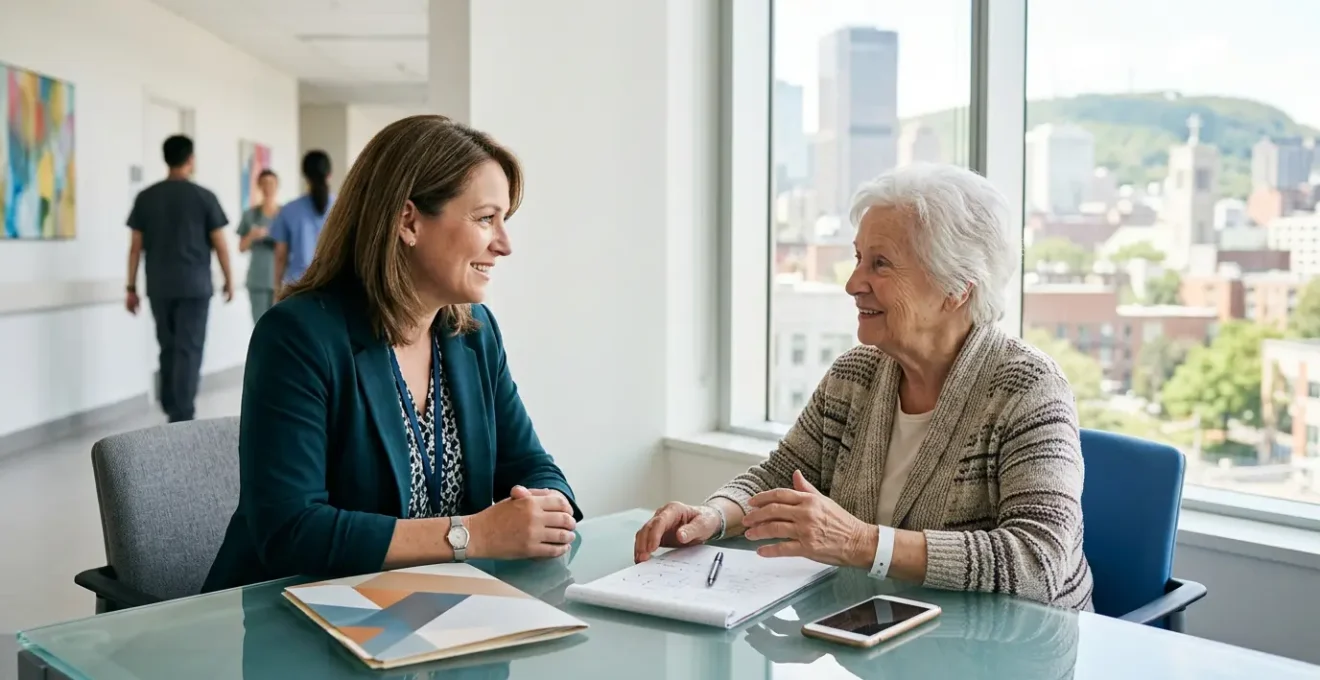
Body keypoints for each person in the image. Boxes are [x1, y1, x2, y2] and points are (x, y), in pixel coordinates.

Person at [635, 163, 1093, 610]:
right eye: (858, 259)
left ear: (956, 289)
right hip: (882, 627)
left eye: (881, 264)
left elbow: (1038, 563)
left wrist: (860, 542)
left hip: (1017, 643)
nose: (853, 283)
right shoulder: (855, 375)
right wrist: (712, 517)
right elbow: (780, 477)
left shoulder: (1029, 390)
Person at [203, 115, 580, 592]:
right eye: (486, 218)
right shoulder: (298, 336)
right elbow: (291, 530)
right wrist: (473, 535)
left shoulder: (474, 334)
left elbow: (533, 465)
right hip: (299, 611)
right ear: (408, 221)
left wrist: (547, 509)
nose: (504, 244)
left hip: (436, 606)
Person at [125, 134, 234, 423]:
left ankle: (171, 405)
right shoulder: (204, 197)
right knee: (189, 348)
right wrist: (229, 278)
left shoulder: (146, 198)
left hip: (159, 286)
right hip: (195, 287)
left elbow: (135, 247)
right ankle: (182, 413)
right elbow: (220, 244)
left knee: (168, 346)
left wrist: (131, 287)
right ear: (190, 159)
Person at [271, 150, 333, 291]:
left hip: (298, 287)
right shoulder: (343, 207)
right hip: (335, 287)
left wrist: (277, 288)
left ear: (305, 176)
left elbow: (280, 256)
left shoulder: (288, 210)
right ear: (329, 174)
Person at [236, 169, 281, 321]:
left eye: (271, 183)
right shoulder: (250, 215)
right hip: (258, 280)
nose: (268, 187)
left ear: (277, 186)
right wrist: (252, 235)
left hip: (281, 280)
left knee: (281, 325)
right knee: (260, 324)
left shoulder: (285, 214)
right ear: (259, 186)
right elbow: (241, 247)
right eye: (264, 183)